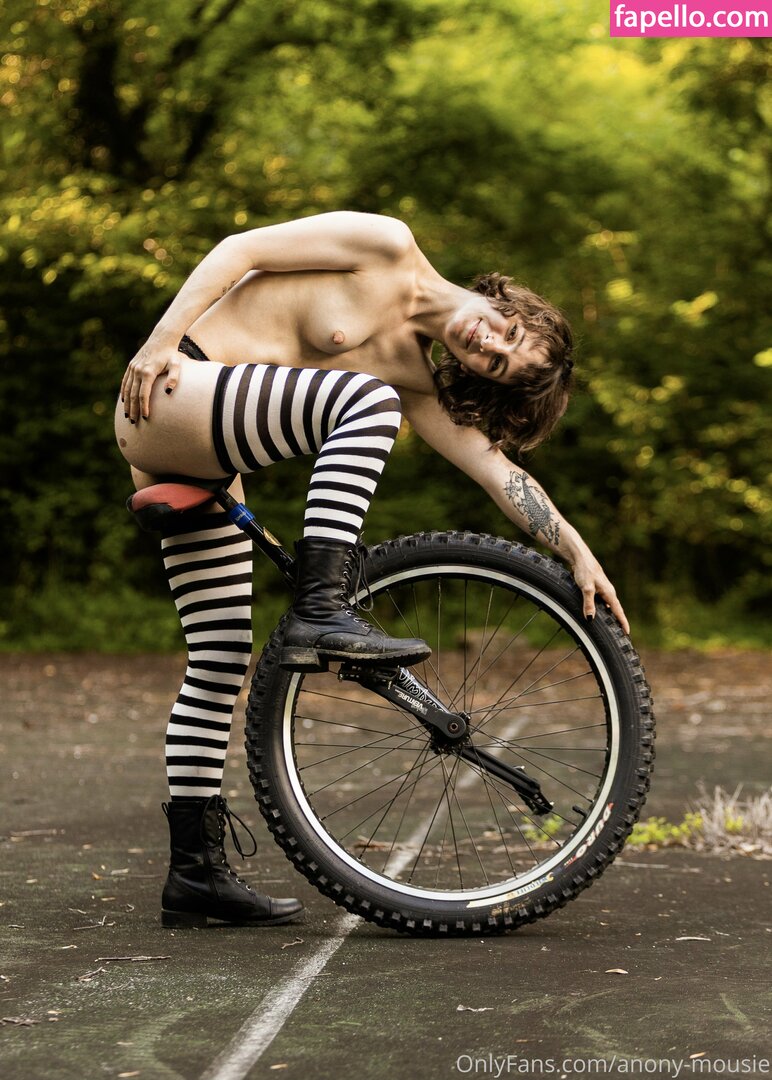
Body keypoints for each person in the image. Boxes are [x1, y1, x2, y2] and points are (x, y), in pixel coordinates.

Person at [115, 210, 628, 930]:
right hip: (172, 387)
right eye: (507, 334)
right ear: (508, 302)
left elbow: (496, 471)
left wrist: (574, 548)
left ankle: (194, 875)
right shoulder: (386, 244)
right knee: (367, 400)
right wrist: (157, 344)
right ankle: (321, 607)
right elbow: (240, 250)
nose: (489, 346)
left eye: (497, 365)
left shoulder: (414, 378)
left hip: (208, 447)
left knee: (221, 656)